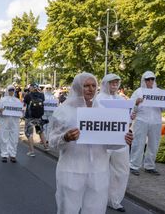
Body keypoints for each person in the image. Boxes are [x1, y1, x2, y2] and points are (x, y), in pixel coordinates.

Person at [48, 72, 133, 214]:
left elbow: (109, 144)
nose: (90, 89)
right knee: (68, 209)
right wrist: (65, 137)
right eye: (86, 85)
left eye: (93, 85)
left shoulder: (103, 111)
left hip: (98, 172)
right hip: (71, 170)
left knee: (96, 210)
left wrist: (123, 140)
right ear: (76, 87)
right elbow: (52, 141)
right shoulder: (63, 111)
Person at [92, 74, 130, 212]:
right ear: (105, 84)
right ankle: (95, 198)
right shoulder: (97, 99)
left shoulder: (121, 99)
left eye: (116, 83)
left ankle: (114, 200)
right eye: (111, 83)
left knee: (122, 170)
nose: (114, 86)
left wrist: (129, 116)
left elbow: (125, 119)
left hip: (120, 139)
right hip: (103, 141)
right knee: (99, 170)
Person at [130, 71, 165, 175]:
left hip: (156, 121)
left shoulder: (159, 92)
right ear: (144, 80)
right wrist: (136, 103)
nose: (150, 81)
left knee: (154, 144)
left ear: (154, 80)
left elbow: (163, 109)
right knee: (138, 143)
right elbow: (131, 108)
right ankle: (134, 165)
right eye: (147, 79)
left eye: (152, 79)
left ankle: (149, 166)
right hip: (141, 120)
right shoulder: (138, 92)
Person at [0, 85, 22, 163]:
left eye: (12, 90)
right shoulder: (2, 100)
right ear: (7, 91)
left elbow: (21, 111)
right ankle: (4, 155)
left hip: (15, 122)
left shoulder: (17, 101)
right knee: (4, 138)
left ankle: (13, 155)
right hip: (4, 122)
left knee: (14, 139)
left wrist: (22, 112)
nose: (11, 91)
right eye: (10, 90)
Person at [24, 83, 47, 157]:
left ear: (32, 87)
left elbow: (25, 105)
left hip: (29, 117)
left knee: (29, 133)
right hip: (38, 117)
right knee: (40, 131)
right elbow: (43, 102)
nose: (29, 88)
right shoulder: (42, 95)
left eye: (30, 87)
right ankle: (46, 147)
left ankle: (32, 151)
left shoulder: (28, 95)